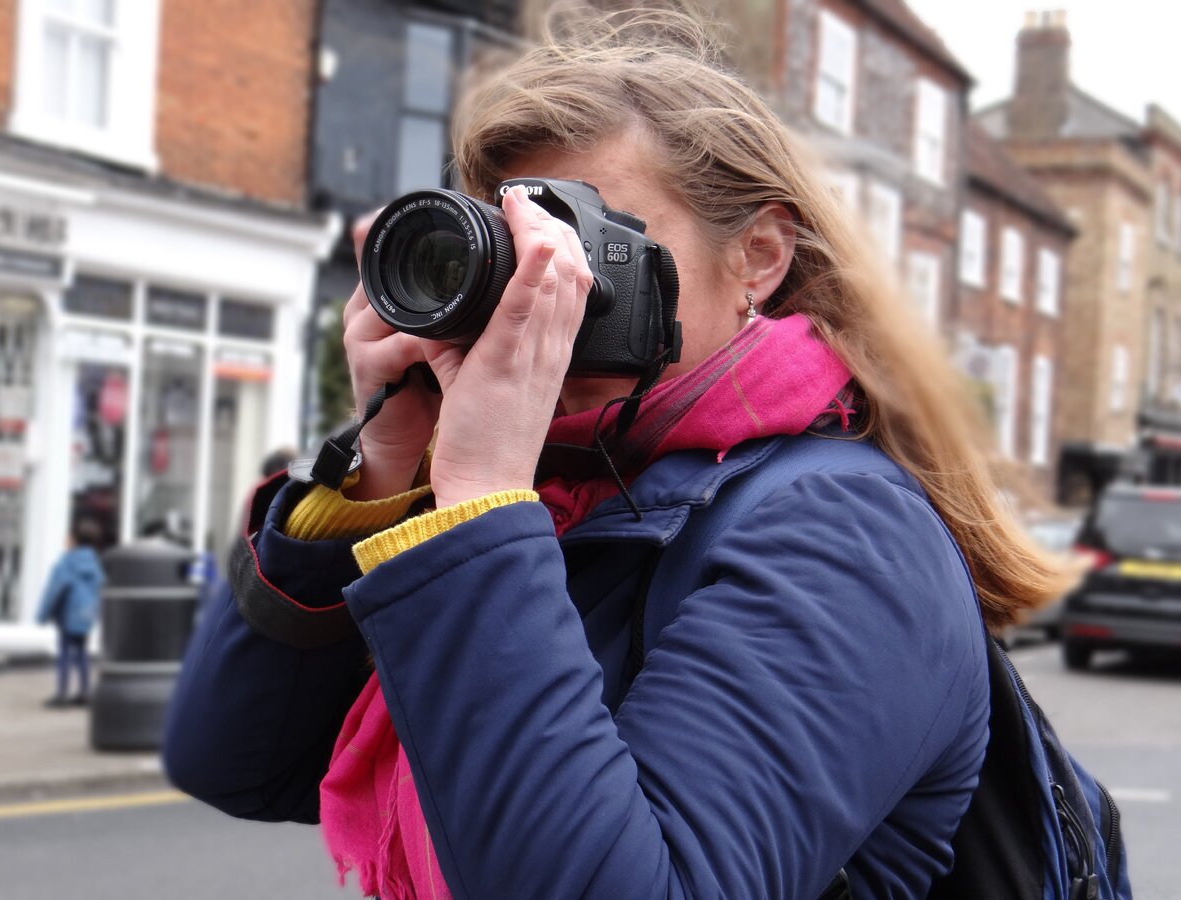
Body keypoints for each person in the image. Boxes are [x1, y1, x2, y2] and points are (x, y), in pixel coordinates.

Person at [163, 7, 1068, 898]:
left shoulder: (847, 535)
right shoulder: (567, 491)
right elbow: (238, 765)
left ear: (758, 255)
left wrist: (480, 499)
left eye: (595, 251)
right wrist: (388, 461)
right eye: (524, 256)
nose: (552, 295)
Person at [36, 518, 105, 708]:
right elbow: (100, 590)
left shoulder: (66, 562)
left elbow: (55, 590)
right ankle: (84, 692)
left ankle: (62, 694)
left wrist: (42, 614)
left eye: (68, 537)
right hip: (86, 614)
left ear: (74, 540)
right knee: (82, 652)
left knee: (65, 654)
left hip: (68, 614)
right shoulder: (96, 564)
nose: (65, 540)